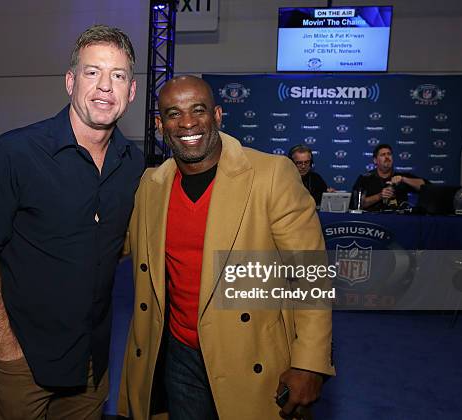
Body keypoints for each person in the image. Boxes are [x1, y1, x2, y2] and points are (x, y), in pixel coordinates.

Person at [117, 76, 334, 420]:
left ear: (217, 115)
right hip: (179, 354)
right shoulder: (150, 186)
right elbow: (117, 245)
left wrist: (309, 363)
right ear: (160, 126)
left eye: (198, 110)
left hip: (248, 354)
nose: (187, 123)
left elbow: (309, 274)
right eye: (173, 114)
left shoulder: (271, 174)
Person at [0, 25, 144, 420]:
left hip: (93, 364)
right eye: (92, 72)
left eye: (118, 75)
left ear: (131, 91)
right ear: (70, 81)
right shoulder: (14, 153)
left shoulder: (133, 164)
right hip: (22, 362)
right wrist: (4, 347)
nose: (105, 86)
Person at [352, 143, 425, 211]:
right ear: (375, 160)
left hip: (399, 221)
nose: (387, 157)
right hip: (372, 220)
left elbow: (425, 187)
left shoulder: (401, 177)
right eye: (383, 155)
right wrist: (379, 196)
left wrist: (404, 179)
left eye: (389, 154)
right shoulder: (365, 178)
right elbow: (356, 204)